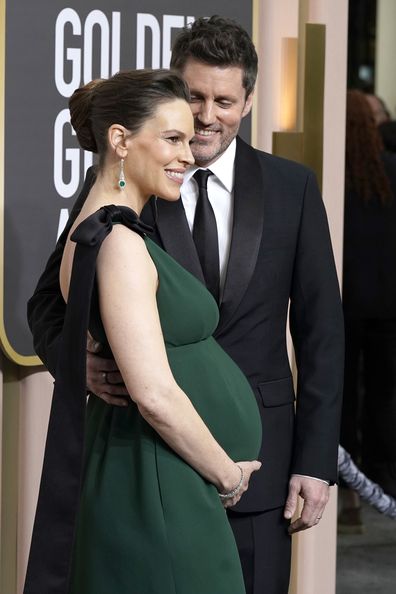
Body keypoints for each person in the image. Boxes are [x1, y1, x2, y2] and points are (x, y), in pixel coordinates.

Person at [27, 16, 344, 594]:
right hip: (151, 462)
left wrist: (316, 460)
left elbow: (323, 332)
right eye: (194, 95)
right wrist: (83, 366)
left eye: (224, 99)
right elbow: (50, 303)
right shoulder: (128, 183)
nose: (205, 115)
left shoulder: (291, 187)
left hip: (261, 468)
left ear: (247, 101)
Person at [24, 69, 262, 594]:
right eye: (172, 139)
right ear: (120, 141)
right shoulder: (118, 244)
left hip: (164, 474)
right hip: (160, 481)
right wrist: (226, 473)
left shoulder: (105, 229)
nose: (189, 154)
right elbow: (153, 395)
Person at [340, 89, 396, 530]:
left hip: (344, 306)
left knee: (343, 395)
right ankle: (380, 478)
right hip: (387, 308)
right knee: (383, 395)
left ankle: (347, 491)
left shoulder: (330, 179)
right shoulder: (390, 172)